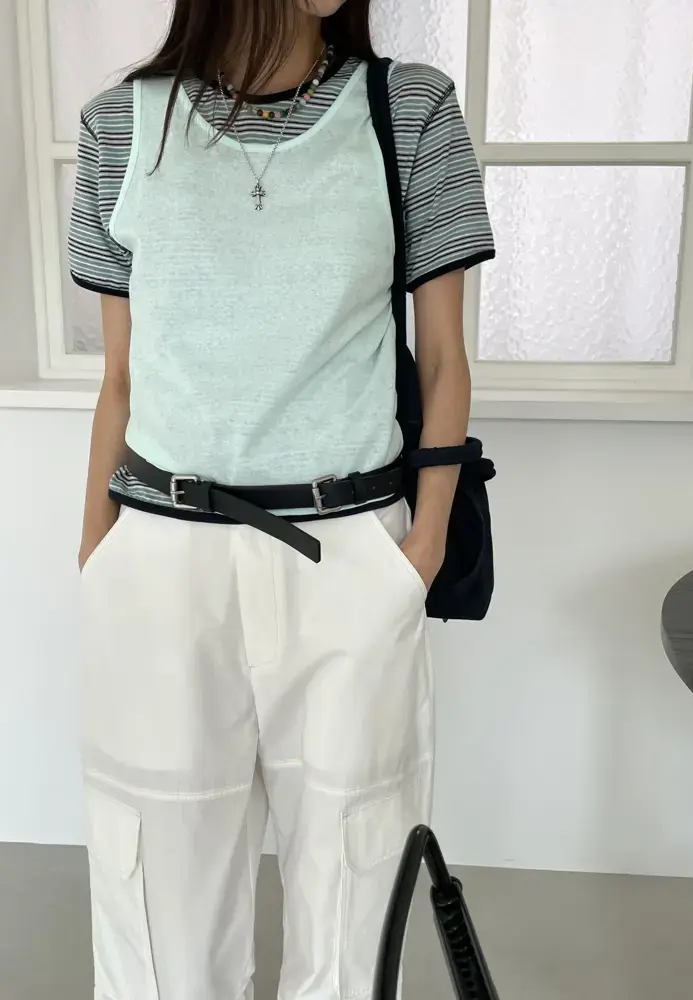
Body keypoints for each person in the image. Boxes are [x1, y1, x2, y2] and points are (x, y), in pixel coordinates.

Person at [70, 1, 494, 998]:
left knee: (357, 879)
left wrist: (421, 547)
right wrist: (97, 553)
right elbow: (122, 375)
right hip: (161, 554)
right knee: (158, 901)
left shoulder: (408, 110)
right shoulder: (121, 123)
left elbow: (444, 360)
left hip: (350, 549)